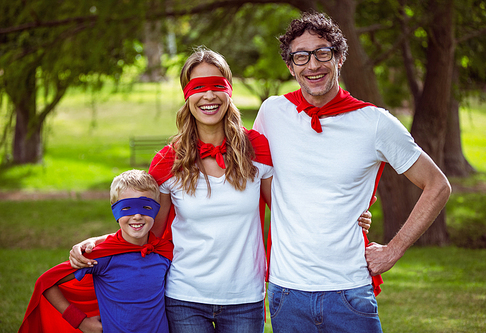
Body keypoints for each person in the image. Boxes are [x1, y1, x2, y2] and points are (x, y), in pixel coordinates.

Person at [68, 47, 373, 333]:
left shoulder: (257, 149)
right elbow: (148, 232)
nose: (209, 96)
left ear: (229, 90)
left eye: (216, 85)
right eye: (198, 87)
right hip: (185, 296)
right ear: (187, 96)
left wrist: (348, 212)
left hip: (245, 297)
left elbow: (290, 206)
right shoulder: (168, 160)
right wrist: (99, 243)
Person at [253, 11, 452, 332]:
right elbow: (262, 181)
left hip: (349, 290)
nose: (313, 65)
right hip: (286, 290)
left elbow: (437, 185)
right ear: (290, 67)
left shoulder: (374, 122)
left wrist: (393, 249)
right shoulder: (272, 113)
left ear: (339, 58)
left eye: (322, 53)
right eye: (301, 57)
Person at [19, 170, 173, 333]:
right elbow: (46, 282)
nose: (137, 216)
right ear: (115, 211)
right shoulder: (103, 255)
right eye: (126, 207)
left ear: (156, 209)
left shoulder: (164, 251)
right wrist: (80, 322)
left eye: (146, 207)